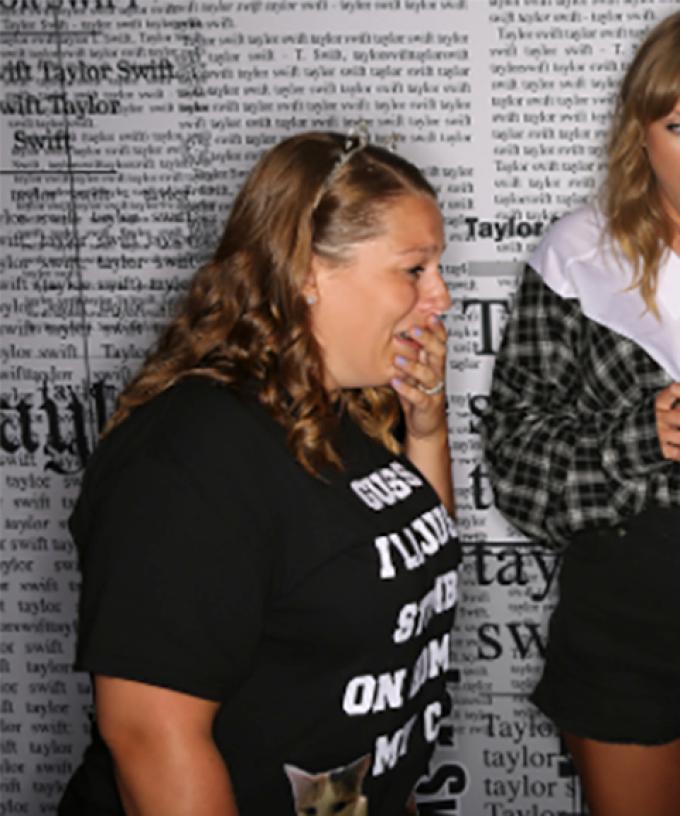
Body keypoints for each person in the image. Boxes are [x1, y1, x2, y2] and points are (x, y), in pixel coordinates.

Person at [58, 130, 460, 816]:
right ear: (308, 271)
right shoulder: (192, 454)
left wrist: (428, 428)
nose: (442, 298)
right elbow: (151, 736)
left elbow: (415, 567)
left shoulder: (348, 410)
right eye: (415, 270)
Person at [481, 12, 680, 816]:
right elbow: (515, 470)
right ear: (641, 133)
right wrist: (646, 437)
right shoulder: (576, 255)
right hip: (631, 627)